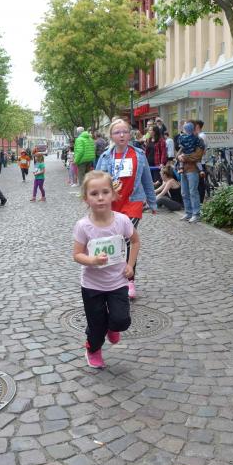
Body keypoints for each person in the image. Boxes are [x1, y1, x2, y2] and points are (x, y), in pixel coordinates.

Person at [72, 170, 138, 369]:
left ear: (113, 194)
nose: (100, 197)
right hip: (92, 286)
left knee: (121, 321)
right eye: (94, 194)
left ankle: (113, 327)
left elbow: (135, 241)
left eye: (105, 192)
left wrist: (130, 265)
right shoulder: (83, 226)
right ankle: (93, 350)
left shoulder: (122, 221)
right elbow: (77, 254)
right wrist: (92, 260)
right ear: (86, 198)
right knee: (96, 325)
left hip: (118, 282)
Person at [94, 119, 157, 300]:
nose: (121, 135)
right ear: (111, 136)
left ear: (130, 134)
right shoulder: (105, 157)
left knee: (127, 238)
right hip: (111, 205)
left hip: (133, 202)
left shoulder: (139, 155)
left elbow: (147, 180)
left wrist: (152, 202)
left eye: (125, 132)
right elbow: (95, 181)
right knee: (113, 240)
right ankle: (112, 278)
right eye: (117, 132)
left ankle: (130, 280)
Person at [175, 122, 204, 223]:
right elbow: (179, 153)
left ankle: (196, 214)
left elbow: (197, 156)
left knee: (193, 192)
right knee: (184, 192)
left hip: (193, 169)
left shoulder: (198, 141)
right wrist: (179, 156)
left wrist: (184, 157)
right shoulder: (185, 139)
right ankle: (188, 212)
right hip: (184, 169)